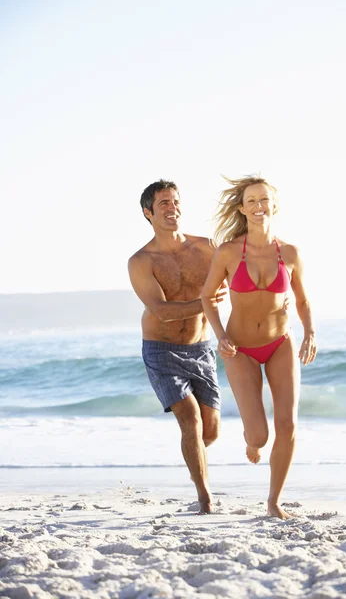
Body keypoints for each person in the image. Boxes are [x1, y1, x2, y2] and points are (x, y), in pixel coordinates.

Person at [201, 174, 317, 519]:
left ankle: (273, 502)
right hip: (240, 349)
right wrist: (220, 335)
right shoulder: (228, 252)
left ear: (274, 205)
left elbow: (303, 300)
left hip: (280, 343)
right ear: (242, 208)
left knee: (289, 424)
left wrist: (310, 332)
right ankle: (251, 440)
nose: (258, 206)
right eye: (251, 201)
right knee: (261, 436)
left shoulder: (291, 253)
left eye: (264, 199)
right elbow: (207, 297)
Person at [127, 179, 227, 514]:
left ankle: (193, 462)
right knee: (190, 419)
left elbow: (240, 283)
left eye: (175, 202)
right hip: (162, 349)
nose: (173, 209)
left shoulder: (207, 248)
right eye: (164, 204)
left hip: (201, 349)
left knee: (208, 431)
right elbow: (161, 310)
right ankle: (205, 498)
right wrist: (206, 303)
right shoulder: (142, 261)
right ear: (148, 213)